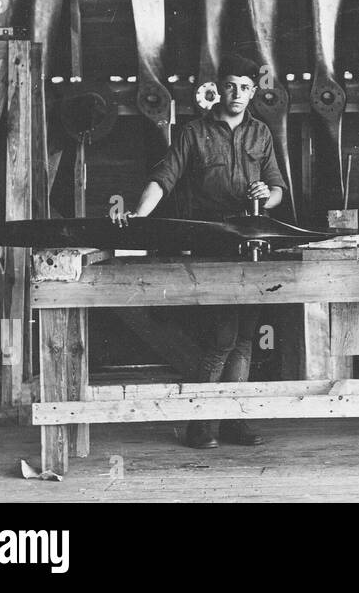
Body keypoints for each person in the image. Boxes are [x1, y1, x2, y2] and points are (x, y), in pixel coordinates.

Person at [113, 53, 286, 450]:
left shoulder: (261, 134)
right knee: (222, 337)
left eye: (245, 88)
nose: (237, 94)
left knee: (245, 337)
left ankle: (232, 421)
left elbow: (276, 188)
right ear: (218, 88)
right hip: (211, 243)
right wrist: (139, 216)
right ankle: (199, 423)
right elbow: (164, 178)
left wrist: (267, 196)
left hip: (251, 244)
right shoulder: (193, 133)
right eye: (230, 86)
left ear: (253, 91)